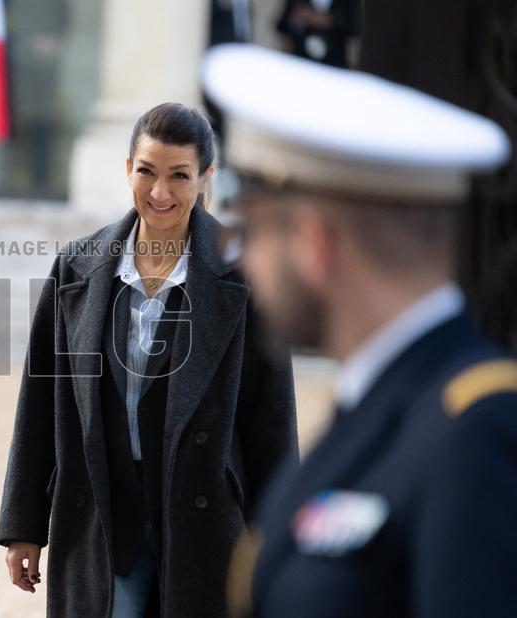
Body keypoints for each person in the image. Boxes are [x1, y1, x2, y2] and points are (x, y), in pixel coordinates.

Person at [202, 44, 517, 617]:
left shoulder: (477, 435)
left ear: (314, 242)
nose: (242, 263)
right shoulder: (377, 407)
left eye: (250, 233)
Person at [0, 103, 298, 617]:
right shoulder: (76, 267)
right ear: (128, 168)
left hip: (206, 521)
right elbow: (40, 405)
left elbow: (271, 422)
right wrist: (23, 525)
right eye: (147, 171)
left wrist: (276, 539)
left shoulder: (248, 277)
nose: (160, 192)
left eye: (179, 175)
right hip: (101, 514)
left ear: (206, 178)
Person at [275, 0, 358, 68]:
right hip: (300, 62)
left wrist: (331, 22)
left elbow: (353, 29)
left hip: (333, 65)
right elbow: (282, 25)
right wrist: (298, 19)